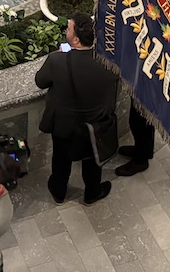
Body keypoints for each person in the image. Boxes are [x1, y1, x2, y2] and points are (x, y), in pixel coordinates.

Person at [35, 12, 119, 205]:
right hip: (94, 126)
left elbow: (40, 81)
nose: (66, 30)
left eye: (68, 28)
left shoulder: (57, 61)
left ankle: (59, 191)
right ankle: (92, 193)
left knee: (60, 159)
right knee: (92, 159)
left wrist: (60, 54)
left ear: (75, 39)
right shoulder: (109, 62)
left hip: (64, 125)